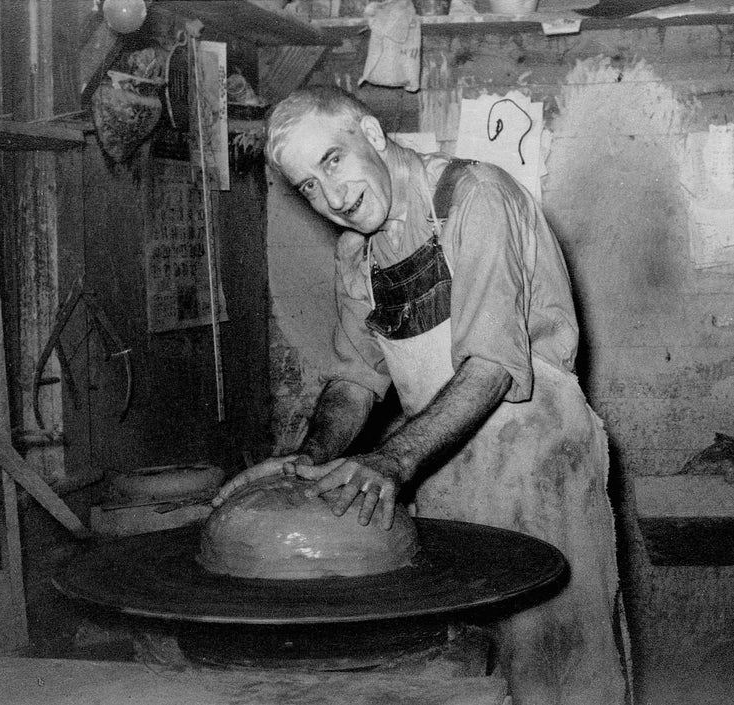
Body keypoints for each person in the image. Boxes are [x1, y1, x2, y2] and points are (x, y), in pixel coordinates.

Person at [212, 86, 628, 705]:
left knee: (558, 662)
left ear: (373, 135)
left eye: (332, 160)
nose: (333, 198)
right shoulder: (357, 253)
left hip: (538, 464)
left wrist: (391, 460)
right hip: (442, 468)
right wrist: (310, 459)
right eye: (306, 186)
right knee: (474, 665)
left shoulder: (473, 197)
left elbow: (489, 366)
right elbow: (356, 381)